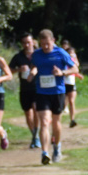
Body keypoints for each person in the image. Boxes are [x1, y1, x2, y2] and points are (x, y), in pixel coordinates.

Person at [29, 30, 75, 165]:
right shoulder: (36, 54)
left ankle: (57, 147)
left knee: (56, 122)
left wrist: (62, 72)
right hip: (42, 93)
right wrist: (32, 72)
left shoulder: (61, 53)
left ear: (53, 40)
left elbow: (75, 69)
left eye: (47, 44)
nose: (45, 47)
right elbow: (34, 66)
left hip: (57, 93)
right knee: (44, 122)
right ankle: (44, 153)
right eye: (42, 44)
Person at [9, 33, 41, 148]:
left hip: (37, 88)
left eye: (28, 42)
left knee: (36, 110)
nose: (27, 45)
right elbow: (9, 70)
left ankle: (36, 136)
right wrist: (19, 69)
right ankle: (34, 136)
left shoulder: (39, 54)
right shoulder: (18, 57)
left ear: (33, 42)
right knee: (28, 114)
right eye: (24, 43)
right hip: (25, 89)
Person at [62, 40, 84, 127]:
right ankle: (56, 120)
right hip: (63, 83)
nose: (72, 55)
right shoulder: (64, 61)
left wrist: (78, 75)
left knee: (71, 101)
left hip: (71, 83)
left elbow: (75, 70)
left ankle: (72, 120)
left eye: (73, 54)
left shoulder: (73, 62)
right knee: (62, 103)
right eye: (70, 54)